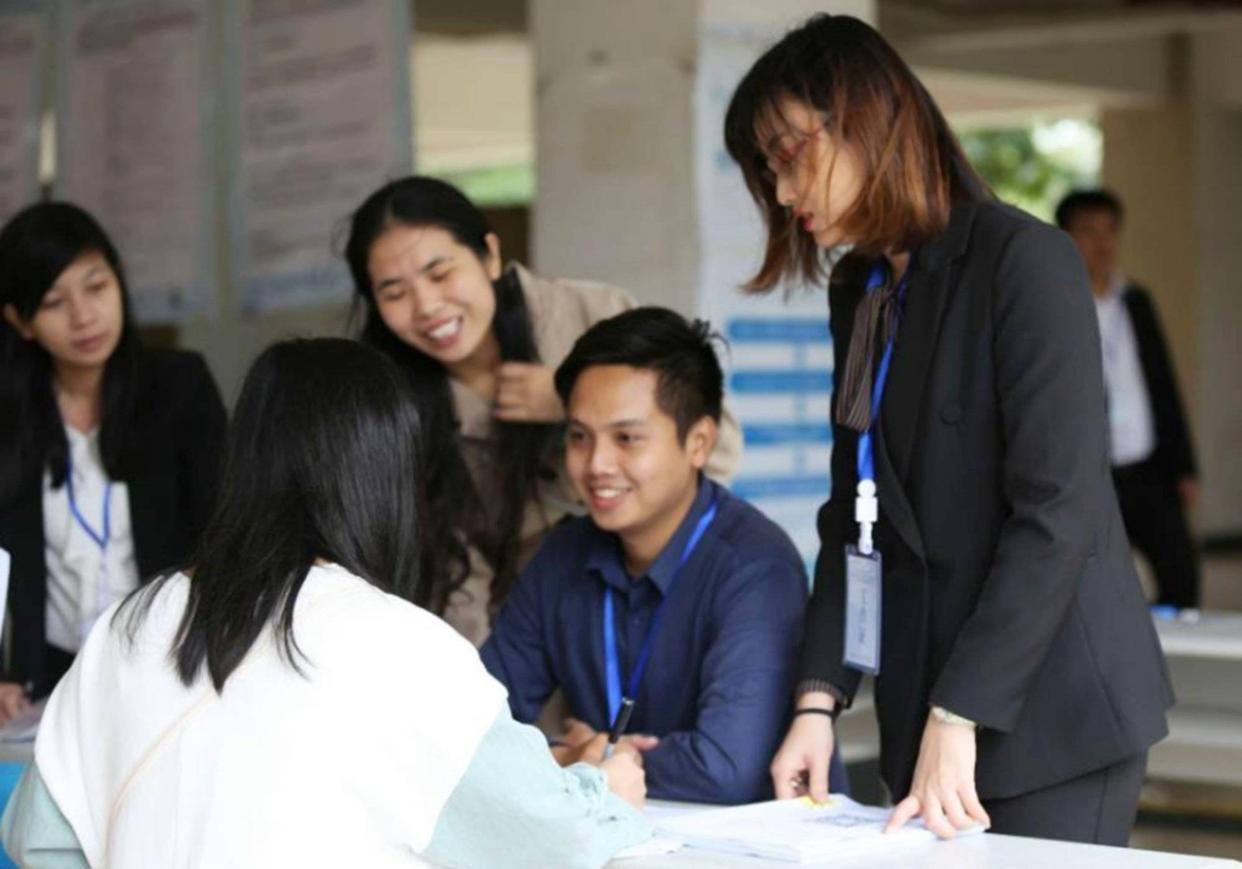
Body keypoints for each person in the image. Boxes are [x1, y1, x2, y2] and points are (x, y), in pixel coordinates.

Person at [723, 14, 1173, 845]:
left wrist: (960, 707)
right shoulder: (861, 291)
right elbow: (853, 508)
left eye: (788, 155)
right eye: (766, 170)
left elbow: (1058, 511)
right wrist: (819, 697)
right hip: (927, 709)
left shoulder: (1024, 261)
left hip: (1048, 712)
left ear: (864, 114)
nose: (783, 193)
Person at [0, 338, 650, 868]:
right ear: (389, 480)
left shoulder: (132, 622)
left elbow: (39, 841)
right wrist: (609, 790)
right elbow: (550, 841)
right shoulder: (405, 644)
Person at [345, 176, 742, 646]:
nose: (427, 305)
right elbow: (449, 580)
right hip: (525, 640)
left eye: (440, 273)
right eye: (394, 293)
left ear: (489, 256)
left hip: (653, 612)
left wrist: (571, 403)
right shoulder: (389, 402)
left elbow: (717, 452)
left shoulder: (592, 312)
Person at [482, 307, 832, 805]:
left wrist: (596, 756)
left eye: (627, 439)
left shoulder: (755, 566)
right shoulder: (563, 555)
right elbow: (473, 727)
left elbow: (726, 767)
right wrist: (569, 759)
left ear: (698, 443)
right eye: (579, 436)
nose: (597, 464)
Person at [0, 202, 226, 717]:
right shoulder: (9, 418)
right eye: (55, 301)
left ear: (119, 284)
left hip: (168, 666)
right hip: (48, 681)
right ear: (21, 320)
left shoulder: (179, 386)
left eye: (96, 286)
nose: (83, 316)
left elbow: (222, 524)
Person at [1056, 189, 1200, 608]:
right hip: (1093, 471)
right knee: (1091, 580)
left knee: (1180, 572)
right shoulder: (1058, 306)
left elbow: (1163, 384)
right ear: (1066, 238)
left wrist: (1184, 465)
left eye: (1110, 231)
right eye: (1088, 232)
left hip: (1148, 467)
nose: (1103, 243)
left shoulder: (1135, 301)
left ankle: (1176, 661)